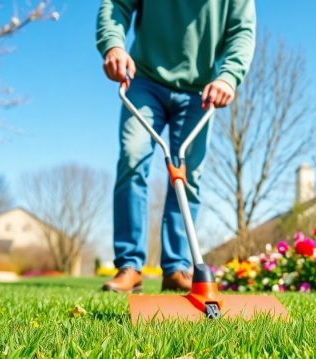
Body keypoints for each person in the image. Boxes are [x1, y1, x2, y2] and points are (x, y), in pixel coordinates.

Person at [96, 0, 256, 292]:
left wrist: (228, 76)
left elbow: (241, 31)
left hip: (200, 91)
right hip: (144, 80)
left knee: (189, 176)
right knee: (132, 158)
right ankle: (130, 266)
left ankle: (176, 269)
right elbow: (117, 5)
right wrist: (114, 45)